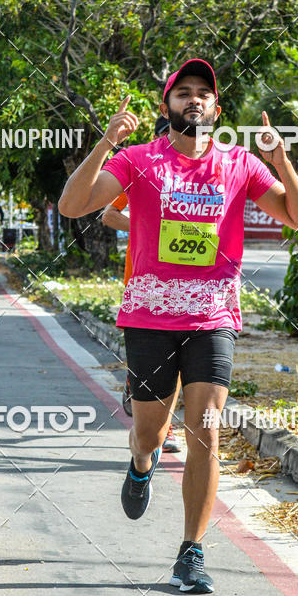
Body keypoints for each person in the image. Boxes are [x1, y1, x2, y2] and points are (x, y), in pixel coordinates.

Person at [58, 58, 298, 594]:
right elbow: (73, 205)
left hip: (214, 317)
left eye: (204, 94)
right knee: (151, 431)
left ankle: (191, 553)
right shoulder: (138, 160)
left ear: (216, 109)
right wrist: (106, 142)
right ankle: (139, 461)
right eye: (184, 93)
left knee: (207, 430)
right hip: (149, 316)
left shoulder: (240, 164)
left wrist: (281, 161)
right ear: (166, 106)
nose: (194, 100)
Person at [102, 117, 181, 453]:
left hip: (186, 283)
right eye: (166, 135)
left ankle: (167, 427)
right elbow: (107, 214)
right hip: (142, 280)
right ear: (157, 137)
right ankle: (137, 386)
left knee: (177, 360)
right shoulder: (140, 170)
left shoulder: (196, 176)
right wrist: (146, 225)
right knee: (153, 360)